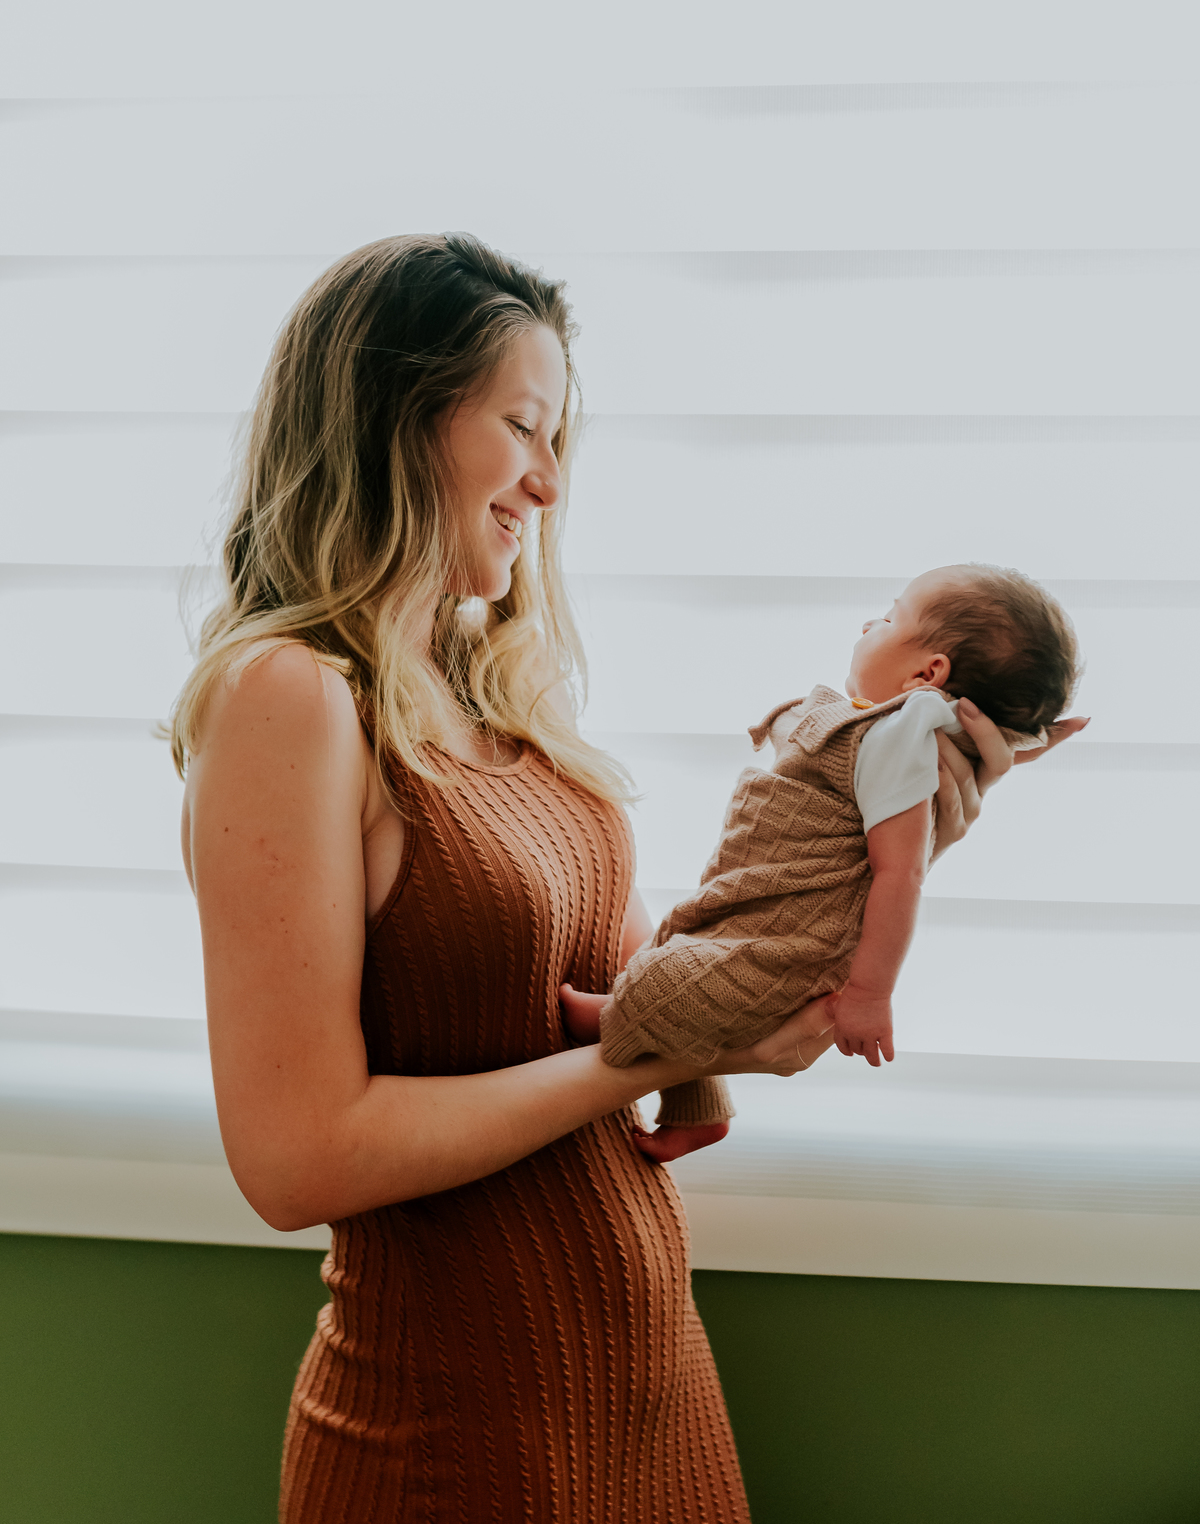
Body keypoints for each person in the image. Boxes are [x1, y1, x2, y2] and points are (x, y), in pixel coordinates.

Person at [172, 235, 1084, 1523]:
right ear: (400, 414)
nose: (547, 484)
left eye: (561, 445)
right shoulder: (292, 696)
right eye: (524, 427)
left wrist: (905, 809)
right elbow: (296, 1158)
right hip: (459, 1432)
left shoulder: (500, 686)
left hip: (647, 1387)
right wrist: (647, 1056)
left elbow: (620, 958)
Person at [563, 564, 1084, 1165]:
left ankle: (611, 1018)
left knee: (668, 988)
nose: (869, 623)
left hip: (792, 941)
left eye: (889, 618)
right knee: (692, 977)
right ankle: (698, 1112)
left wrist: (869, 994)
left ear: (928, 671)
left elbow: (899, 872)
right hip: (759, 908)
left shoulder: (904, 731)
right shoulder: (889, 732)